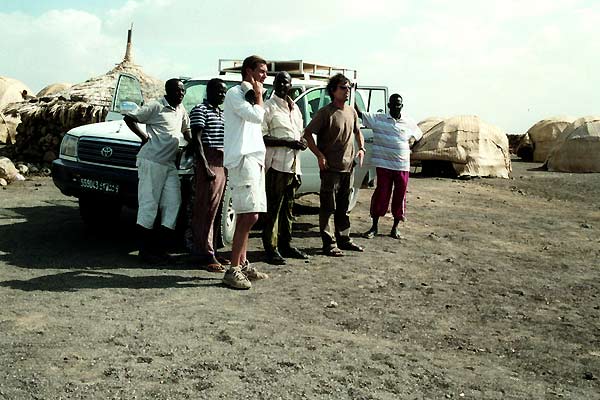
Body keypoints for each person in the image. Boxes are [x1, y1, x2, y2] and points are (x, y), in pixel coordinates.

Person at [123, 78, 191, 263]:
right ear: (168, 92)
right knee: (149, 206)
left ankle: (160, 250)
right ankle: (144, 251)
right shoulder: (156, 106)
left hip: (169, 163)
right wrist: (144, 137)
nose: (181, 94)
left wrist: (193, 143)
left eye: (183, 91)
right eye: (178, 91)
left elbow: (186, 130)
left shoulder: (181, 109)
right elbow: (129, 117)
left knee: (173, 204)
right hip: (151, 162)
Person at [303, 73, 365, 257]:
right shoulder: (325, 113)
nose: (347, 91)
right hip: (330, 169)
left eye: (349, 88)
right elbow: (307, 134)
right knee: (327, 207)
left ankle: (344, 239)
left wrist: (361, 149)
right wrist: (319, 156)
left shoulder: (351, 111)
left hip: (348, 168)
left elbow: (357, 132)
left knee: (343, 207)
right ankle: (328, 243)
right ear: (333, 90)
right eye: (343, 88)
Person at [222, 55, 270, 289]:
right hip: (242, 159)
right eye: (261, 71)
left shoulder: (250, 95)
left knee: (251, 214)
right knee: (248, 214)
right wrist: (259, 96)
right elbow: (257, 116)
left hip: (254, 158)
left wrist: (257, 95)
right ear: (248, 71)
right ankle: (232, 270)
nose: (265, 75)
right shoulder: (234, 94)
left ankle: (242, 264)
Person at [358, 94, 423, 239]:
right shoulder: (378, 119)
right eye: (393, 104)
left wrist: (411, 146)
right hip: (383, 164)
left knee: (400, 196)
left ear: (402, 106)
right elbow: (359, 113)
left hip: (402, 166)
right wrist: (352, 92)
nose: (395, 107)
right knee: (381, 194)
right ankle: (374, 227)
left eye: (398, 104)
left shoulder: (408, 122)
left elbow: (419, 136)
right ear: (388, 105)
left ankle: (395, 228)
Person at [262, 71, 309, 265]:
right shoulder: (268, 107)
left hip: (293, 166)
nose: (282, 85)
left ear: (290, 85)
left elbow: (300, 133)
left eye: (286, 83)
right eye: (279, 82)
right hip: (276, 165)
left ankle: (286, 244)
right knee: (274, 208)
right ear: (274, 84)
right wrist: (287, 142)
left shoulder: (295, 108)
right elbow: (262, 137)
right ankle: (271, 248)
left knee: (289, 209)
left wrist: (302, 141)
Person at [188, 78, 230, 272]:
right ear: (210, 91)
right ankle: (204, 254)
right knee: (205, 210)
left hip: (222, 161)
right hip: (209, 160)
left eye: (224, 92)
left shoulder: (221, 112)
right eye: (219, 91)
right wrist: (204, 166)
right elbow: (196, 140)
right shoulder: (200, 110)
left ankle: (211, 249)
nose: (222, 95)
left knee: (215, 210)